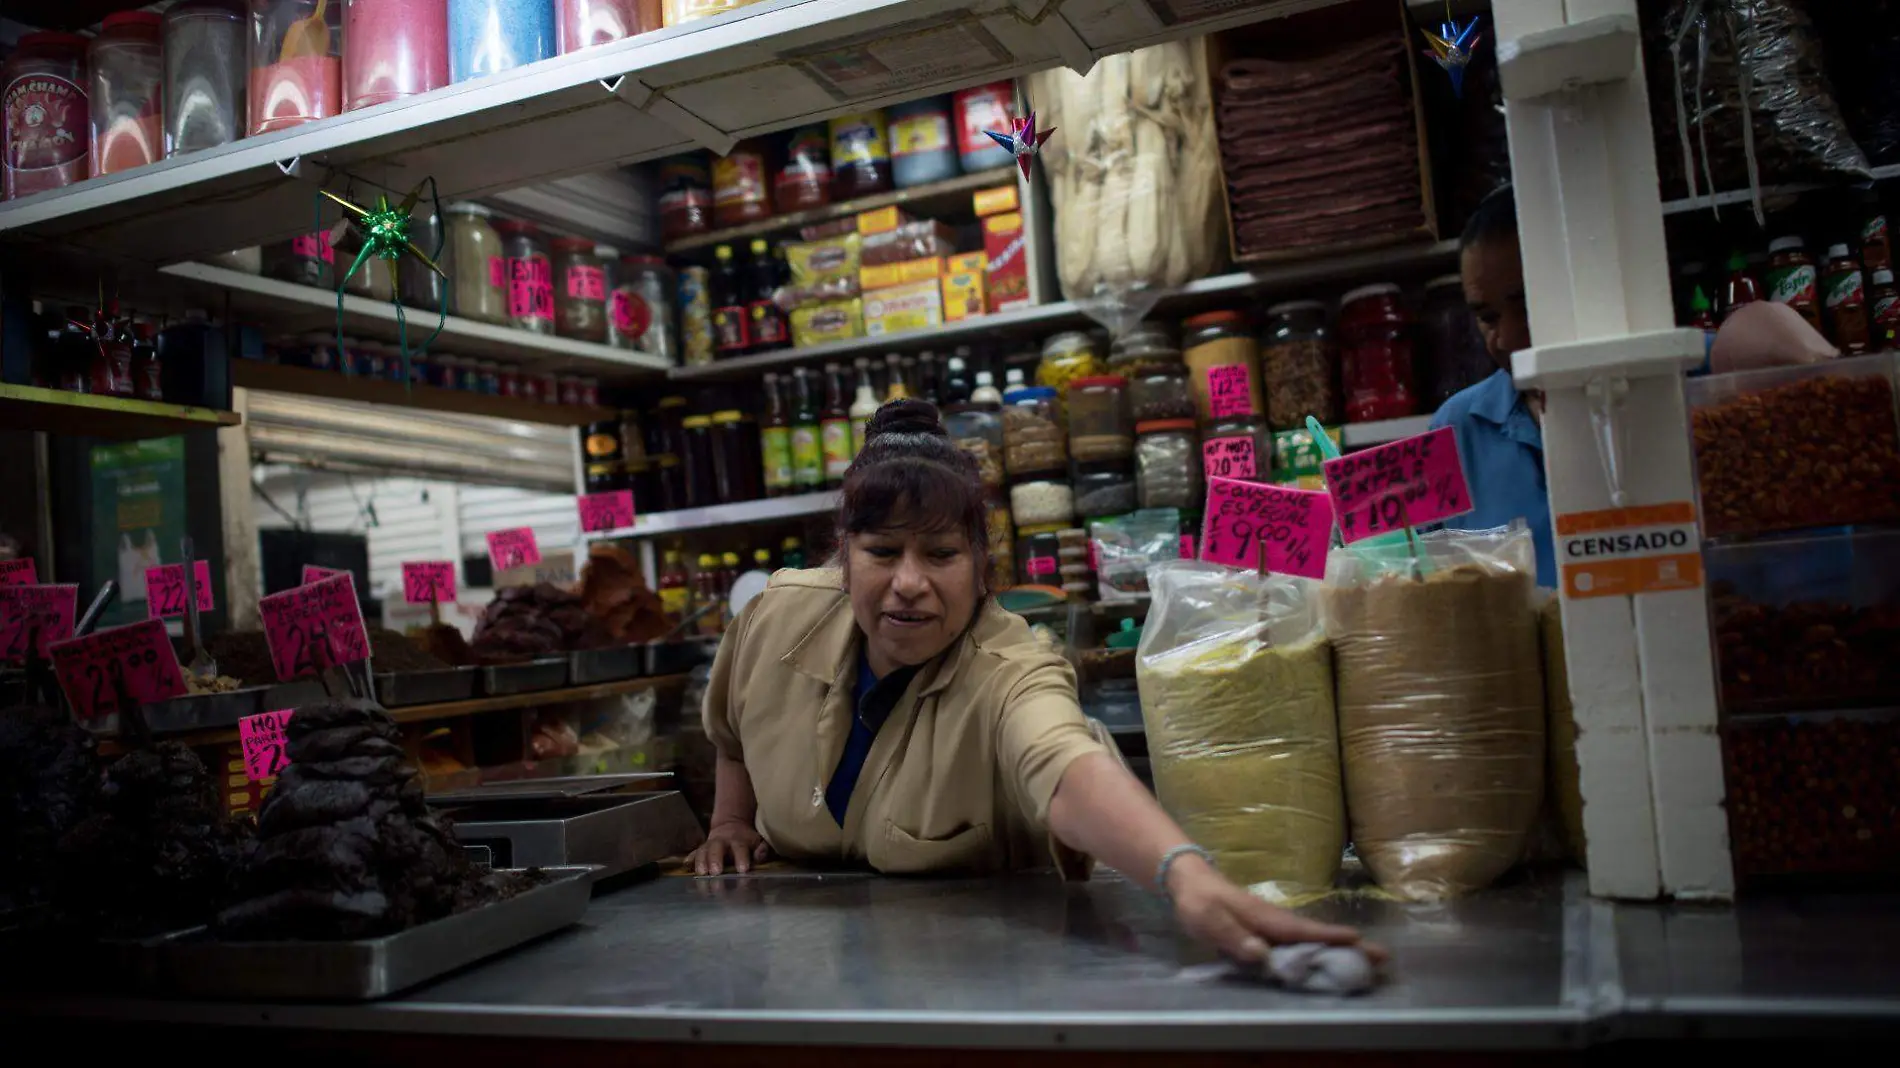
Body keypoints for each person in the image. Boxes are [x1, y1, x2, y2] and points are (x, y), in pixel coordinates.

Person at [689, 399, 1381, 967]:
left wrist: (1185, 876)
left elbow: (1062, 763)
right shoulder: (778, 616)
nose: (908, 583)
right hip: (811, 970)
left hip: (978, 971)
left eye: (940, 554)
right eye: (881, 552)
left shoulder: (1010, 666)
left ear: (982, 562)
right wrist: (730, 819)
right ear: (844, 556)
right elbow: (733, 733)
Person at [1434, 184, 1838, 587]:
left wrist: (1754, 329)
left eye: (1529, 303)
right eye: (1487, 317)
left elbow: (1786, 356)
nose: (1505, 338)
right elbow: (1417, 578)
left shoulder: (1694, 377)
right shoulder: (1457, 430)